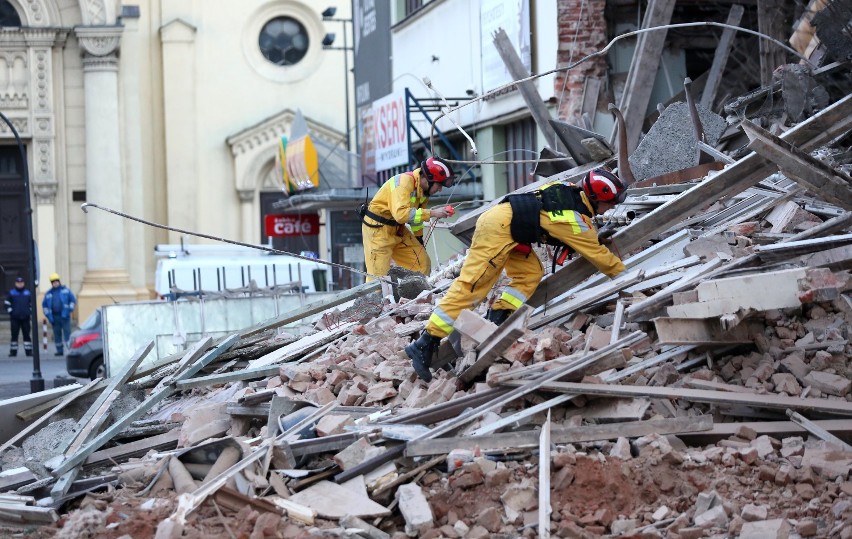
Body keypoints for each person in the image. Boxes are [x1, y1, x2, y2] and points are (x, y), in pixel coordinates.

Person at [406, 169, 629, 381]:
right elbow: (598, 256)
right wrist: (626, 278)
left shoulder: (570, 191)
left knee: (530, 272)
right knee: (473, 286)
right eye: (611, 203)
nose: (611, 208)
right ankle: (424, 344)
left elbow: (576, 230)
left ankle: (498, 318)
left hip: (511, 226)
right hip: (499, 228)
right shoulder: (573, 218)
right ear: (597, 198)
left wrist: (593, 236)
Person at [359, 156, 456, 280]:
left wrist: (418, 238)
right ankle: (375, 299)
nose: (440, 189)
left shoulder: (423, 193)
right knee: (378, 278)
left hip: (397, 229)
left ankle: (418, 295)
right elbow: (401, 215)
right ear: (428, 179)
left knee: (422, 264)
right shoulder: (403, 182)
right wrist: (433, 213)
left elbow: (416, 218)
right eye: (439, 185)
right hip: (377, 230)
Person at [41, 273, 76, 356]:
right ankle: (59, 350)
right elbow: (45, 306)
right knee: (57, 334)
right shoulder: (48, 293)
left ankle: (69, 350)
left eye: (56, 281)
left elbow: (73, 301)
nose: (55, 283)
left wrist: (69, 310)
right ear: (51, 283)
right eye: (53, 282)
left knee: (67, 333)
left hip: (65, 316)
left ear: (59, 282)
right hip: (54, 317)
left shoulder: (66, 290)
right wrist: (49, 316)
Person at [4, 277, 32, 357]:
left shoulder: (28, 293)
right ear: (15, 283)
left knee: (27, 335)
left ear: (23, 283)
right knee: (14, 335)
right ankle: (13, 352)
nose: (20, 284)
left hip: (25, 318)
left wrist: (29, 311)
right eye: (18, 283)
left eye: (21, 283)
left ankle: (29, 351)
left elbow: (32, 304)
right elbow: (6, 303)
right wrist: (11, 312)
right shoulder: (12, 293)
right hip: (15, 319)